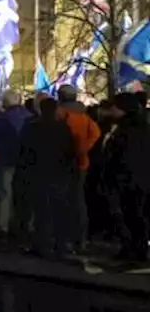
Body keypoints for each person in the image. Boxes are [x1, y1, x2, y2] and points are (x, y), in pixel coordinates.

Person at [18, 97, 77, 258]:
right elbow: (71, 152)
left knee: (41, 211)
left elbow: (23, 150)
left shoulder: (32, 128)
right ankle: (60, 245)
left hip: (38, 173)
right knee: (59, 211)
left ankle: (41, 245)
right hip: (58, 173)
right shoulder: (63, 128)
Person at [102, 92, 150, 261]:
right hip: (135, 178)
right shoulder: (137, 126)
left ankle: (134, 249)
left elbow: (123, 155)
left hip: (127, 179)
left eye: (115, 106)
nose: (112, 109)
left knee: (131, 216)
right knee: (135, 216)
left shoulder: (128, 129)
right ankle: (134, 248)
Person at [56, 83, 101, 252]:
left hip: (63, 162)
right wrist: (83, 149)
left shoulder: (60, 114)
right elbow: (95, 133)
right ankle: (80, 238)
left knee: (63, 201)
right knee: (78, 200)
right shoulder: (84, 116)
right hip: (81, 162)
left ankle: (65, 237)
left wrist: (75, 150)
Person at [0, 90, 31, 236]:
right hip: (26, 162)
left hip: (5, 161)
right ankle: (25, 224)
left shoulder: (1, 120)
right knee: (24, 194)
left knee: (5, 194)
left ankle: (3, 225)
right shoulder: (28, 117)